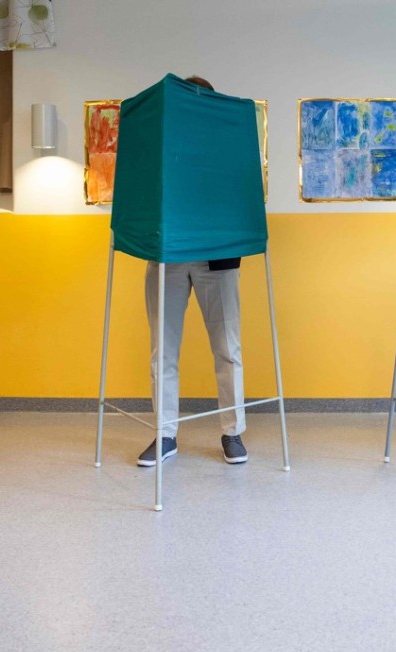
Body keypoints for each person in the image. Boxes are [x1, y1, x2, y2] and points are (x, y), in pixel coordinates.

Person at [136, 75, 249, 468]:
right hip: (167, 255)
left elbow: (242, 198)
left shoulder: (226, 149)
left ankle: (232, 432)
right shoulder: (164, 150)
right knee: (162, 351)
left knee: (227, 348)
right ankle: (165, 435)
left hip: (217, 259)